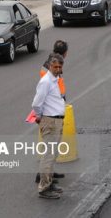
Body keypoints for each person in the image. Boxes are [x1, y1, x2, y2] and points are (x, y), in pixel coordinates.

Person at [32, 54, 66, 199]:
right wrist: (40, 117)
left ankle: (49, 182)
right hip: (50, 121)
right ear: (50, 65)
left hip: (57, 120)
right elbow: (36, 103)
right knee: (48, 156)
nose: (57, 69)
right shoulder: (46, 81)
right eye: (55, 66)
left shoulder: (56, 79)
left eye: (60, 67)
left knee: (53, 155)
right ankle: (44, 188)